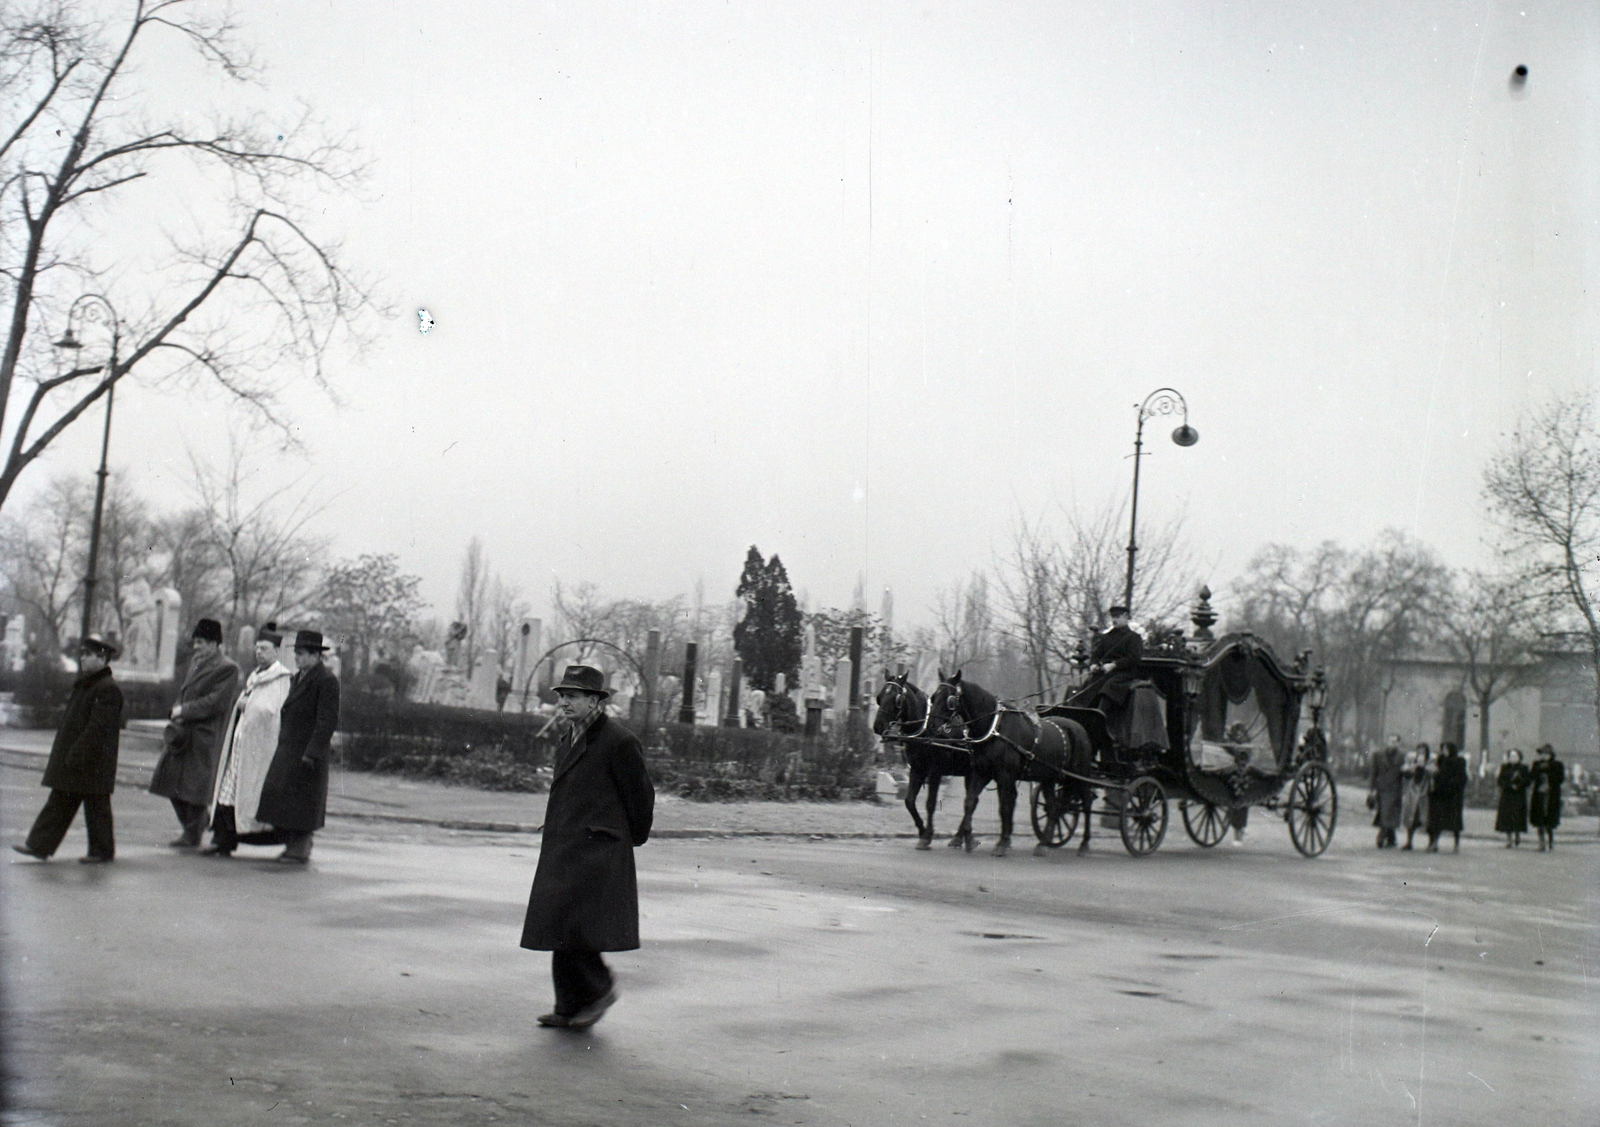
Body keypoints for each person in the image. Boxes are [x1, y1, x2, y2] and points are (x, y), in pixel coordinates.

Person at [521, 664, 655, 1031]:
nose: (563, 702)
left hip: (598, 849)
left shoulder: (618, 741)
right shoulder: (569, 738)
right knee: (558, 924)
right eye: (561, 696)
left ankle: (599, 989)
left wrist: (629, 839)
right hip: (566, 845)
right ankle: (568, 1007)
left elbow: (641, 797)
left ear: (595, 700)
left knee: (576, 926)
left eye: (572, 696)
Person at [13, 635, 124, 864]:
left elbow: (98, 728)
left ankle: (99, 851)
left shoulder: (106, 688)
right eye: (82, 654)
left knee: (92, 804)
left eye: (87, 654)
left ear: (102, 658)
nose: (82, 658)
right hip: (82, 758)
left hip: (90, 760)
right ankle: (40, 846)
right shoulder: (91, 684)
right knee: (66, 800)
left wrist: (78, 753)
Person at [202, 624, 294, 857]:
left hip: (258, 747)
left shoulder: (281, 679)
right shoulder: (255, 676)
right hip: (241, 741)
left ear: (275, 651)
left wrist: (248, 705)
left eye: (264, 648)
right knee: (228, 791)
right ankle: (223, 839)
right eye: (257, 648)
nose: (259, 652)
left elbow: (272, 711)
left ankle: (230, 839)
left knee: (245, 792)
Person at [148, 618, 240, 848]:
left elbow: (215, 702)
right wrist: (178, 711)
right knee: (169, 782)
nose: (196, 647)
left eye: (200, 642)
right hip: (183, 733)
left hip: (203, 735)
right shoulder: (196, 662)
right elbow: (187, 691)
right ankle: (196, 826)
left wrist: (183, 710)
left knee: (194, 789)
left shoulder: (227, 668)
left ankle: (192, 832)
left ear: (214, 643)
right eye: (195, 642)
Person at [1088, 606, 1143, 739]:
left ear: (1126, 617)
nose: (1114, 620)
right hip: (1105, 673)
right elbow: (1096, 654)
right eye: (1113, 617)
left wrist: (1114, 665)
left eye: (1117, 617)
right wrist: (1093, 664)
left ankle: (1101, 719)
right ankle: (1083, 717)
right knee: (1088, 687)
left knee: (1109, 687)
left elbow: (1134, 658)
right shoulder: (1106, 637)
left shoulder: (1133, 637)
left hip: (1125, 674)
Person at [1426, 741, 1468, 853]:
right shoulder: (1440, 760)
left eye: (1446, 749)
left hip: (1453, 795)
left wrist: (1452, 784)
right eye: (1442, 749)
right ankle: (1434, 843)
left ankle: (1456, 844)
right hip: (1439, 794)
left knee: (1454, 821)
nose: (1443, 751)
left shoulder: (1459, 761)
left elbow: (1462, 777)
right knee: (1436, 820)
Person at [1367, 736, 1404, 848]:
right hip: (1382, 787)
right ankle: (1391, 838)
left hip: (1396, 788)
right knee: (1385, 812)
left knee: (1388, 812)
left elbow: (1406, 774)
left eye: (1395, 742)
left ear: (1398, 743)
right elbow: (1373, 773)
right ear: (1387, 742)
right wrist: (1371, 789)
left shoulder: (1402, 756)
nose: (1392, 744)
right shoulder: (1378, 755)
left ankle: (1381, 836)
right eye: (1390, 741)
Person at [1528, 743, 1564, 852]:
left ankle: (1550, 841)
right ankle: (1541, 843)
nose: (1543, 756)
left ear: (1550, 754)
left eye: (1545, 754)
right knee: (1539, 819)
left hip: (1551, 795)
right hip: (1539, 795)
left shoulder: (1557, 765)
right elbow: (1531, 777)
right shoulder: (1536, 764)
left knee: (1549, 820)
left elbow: (1560, 779)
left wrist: (1549, 782)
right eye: (1541, 754)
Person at [1493, 749, 1530, 848]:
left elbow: (1527, 781)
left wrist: (1519, 785)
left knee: (1518, 816)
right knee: (1507, 817)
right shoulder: (1504, 767)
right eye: (1511, 756)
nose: (1513, 758)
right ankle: (1508, 839)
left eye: (1515, 756)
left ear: (1519, 757)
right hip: (1507, 795)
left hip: (1519, 796)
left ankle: (1517, 834)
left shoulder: (1524, 768)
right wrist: (1509, 785)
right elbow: (1500, 781)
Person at [1399, 743, 1432, 850]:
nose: (1421, 753)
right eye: (1419, 751)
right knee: (1410, 818)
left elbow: (1433, 772)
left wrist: (1425, 767)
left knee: (1426, 818)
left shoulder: (1430, 761)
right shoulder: (1411, 761)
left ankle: (1431, 843)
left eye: (1423, 751)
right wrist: (1411, 768)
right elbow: (1404, 772)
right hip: (1412, 793)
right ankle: (1409, 841)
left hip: (1425, 793)